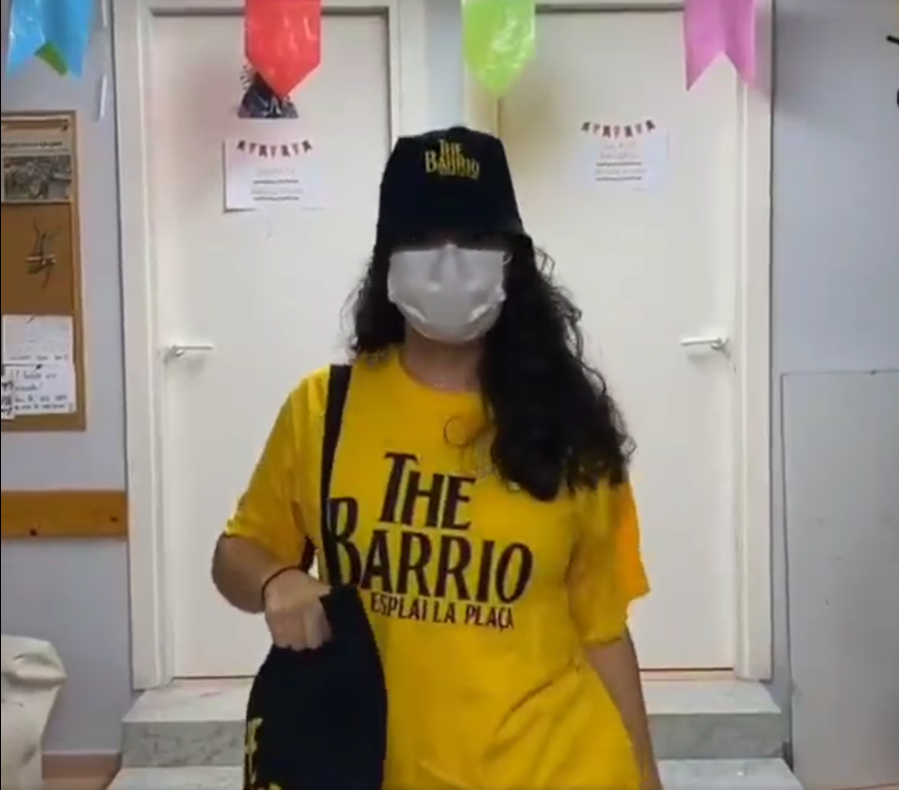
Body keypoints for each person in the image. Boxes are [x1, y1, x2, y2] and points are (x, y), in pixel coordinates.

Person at [212, 126, 659, 790]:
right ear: (386, 260)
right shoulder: (323, 411)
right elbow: (234, 556)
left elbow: (602, 632)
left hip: (560, 767)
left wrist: (647, 778)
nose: (449, 261)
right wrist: (277, 580)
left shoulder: (569, 428)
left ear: (513, 260)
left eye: (476, 240)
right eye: (422, 238)